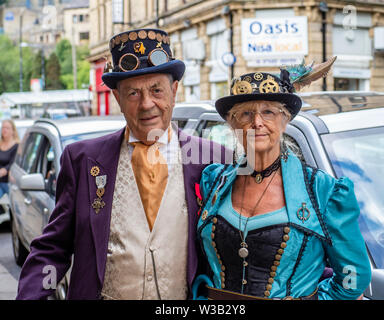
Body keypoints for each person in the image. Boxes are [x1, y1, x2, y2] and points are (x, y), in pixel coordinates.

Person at [16, 28, 231, 300]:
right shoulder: (82, 160)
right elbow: (53, 248)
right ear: (117, 98)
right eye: (133, 94)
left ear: (174, 91)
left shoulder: (214, 160)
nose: (146, 104)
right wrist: (35, 294)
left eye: (156, 90)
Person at [192, 58, 372, 300]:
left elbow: (353, 278)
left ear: (285, 120)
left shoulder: (323, 192)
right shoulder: (213, 181)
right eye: (245, 114)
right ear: (233, 124)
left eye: (268, 112)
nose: (257, 122)